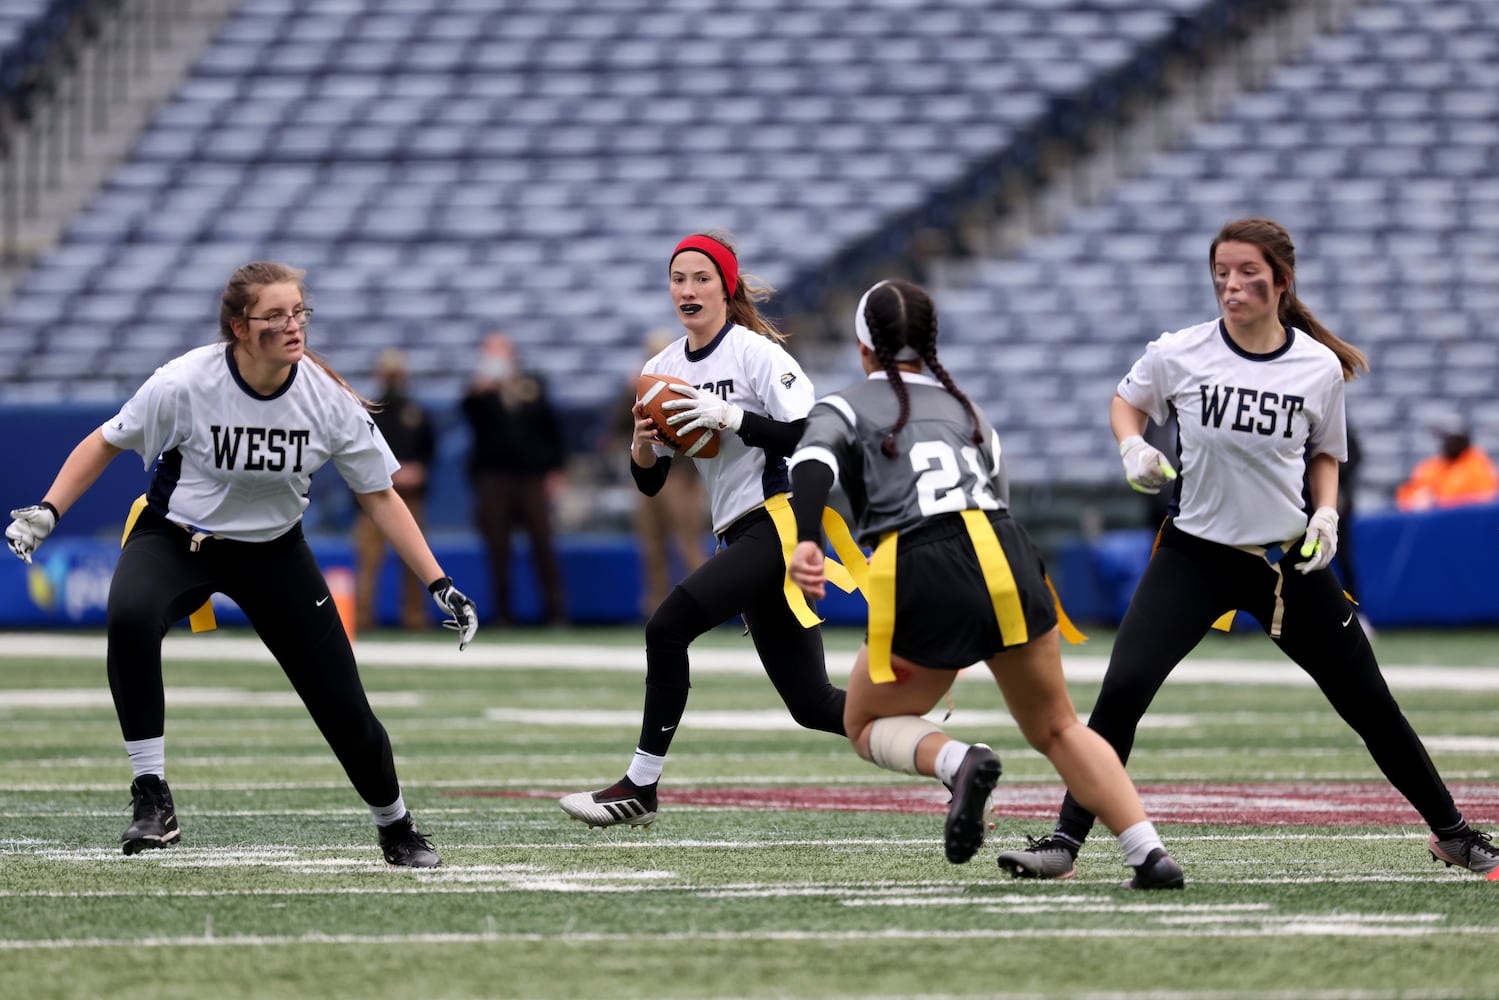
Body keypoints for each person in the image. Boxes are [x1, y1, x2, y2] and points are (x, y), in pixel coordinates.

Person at [995, 217, 1499, 879]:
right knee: (1120, 693)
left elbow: (1325, 452)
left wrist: (1325, 512)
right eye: (1221, 273)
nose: (1230, 286)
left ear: (1280, 282)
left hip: (1283, 564)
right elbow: (1126, 402)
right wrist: (1132, 445)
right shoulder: (1179, 351)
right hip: (1191, 555)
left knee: (1369, 704)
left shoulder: (1315, 366)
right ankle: (1064, 841)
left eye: (1246, 273)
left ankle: (1452, 833)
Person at [4, 261, 478, 868]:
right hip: (176, 536)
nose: (293, 325)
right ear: (239, 328)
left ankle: (397, 824)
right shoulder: (184, 382)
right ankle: (152, 796)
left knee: (341, 700)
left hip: (273, 550)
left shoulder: (325, 398)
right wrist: (49, 508)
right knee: (129, 616)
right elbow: (105, 440)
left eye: (299, 311)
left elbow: (380, 494)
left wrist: (438, 582)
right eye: (275, 315)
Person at [785, 279, 1182, 887]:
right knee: (1059, 727)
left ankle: (959, 761)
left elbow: (810, 463)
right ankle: (1149, 854)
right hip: (1008, 553)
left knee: (863, 724)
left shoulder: (845, 404)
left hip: (919, 561)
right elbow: (994, 495)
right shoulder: (969, 410)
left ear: (864, 350)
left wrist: (808, 540)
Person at [559, 229, 846, 828]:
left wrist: (735, 416)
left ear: (726, 286)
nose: (687, 289)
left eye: (701, 278)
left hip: (778, 520)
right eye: (678, 278)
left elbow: (812, 434)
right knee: (813, 704)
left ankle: (640, 785)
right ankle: (951, 757)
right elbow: (651, 483)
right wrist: (641, 449)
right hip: (739, 531)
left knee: (667, 628)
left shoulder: (756, 353)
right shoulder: (661, 369)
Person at [461, 331, 568, 626]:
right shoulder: (480, 392)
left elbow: (551, 429)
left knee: (543, 543)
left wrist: (555, 470)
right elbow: (468, 414)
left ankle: (555, 611)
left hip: (531, 477)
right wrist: (481, 388)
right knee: (497, 546)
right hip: (495, 479)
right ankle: (502, 613)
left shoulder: (531, 385)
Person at [617, 329, 710, 619]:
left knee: (687, 543)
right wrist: (630, 393)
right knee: (652, 546)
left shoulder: (685, 383)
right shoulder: (642, 384)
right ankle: (655, 607)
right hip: (649, 474)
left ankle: (704, 606)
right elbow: (621, 424)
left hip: (680, 475)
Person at [352, 347, 437, 631]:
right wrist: (391, 473)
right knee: (369, 560)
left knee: (414, 559)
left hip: (411, 498)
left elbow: (429, 451)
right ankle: (362, 617)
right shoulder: (369, 411)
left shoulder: (417, 413)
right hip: (373, 500)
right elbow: (358, 454)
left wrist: (419, 470)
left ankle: (414, 616)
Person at [1394, 417, 1498, 512]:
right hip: (1437, 522)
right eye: (1449, 439)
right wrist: (1418, 499)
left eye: (1456, 439)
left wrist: (1440, 500)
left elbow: (1485, 497)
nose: (1452, 443)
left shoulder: (1478, 463)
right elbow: (1407, 498)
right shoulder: (1431, 466)